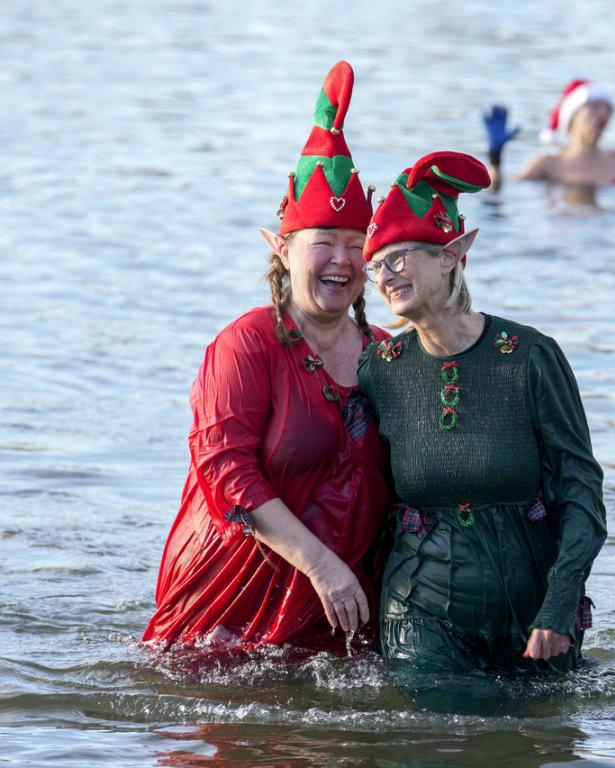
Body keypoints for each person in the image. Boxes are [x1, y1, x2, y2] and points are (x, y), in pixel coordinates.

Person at [143, 61, 391, 656]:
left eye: (357, 245)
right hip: (228, 598)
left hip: (341, 612)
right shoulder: (247, 344)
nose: (342, 259)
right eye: (324, 242)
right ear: (282, 248)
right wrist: (324, 566)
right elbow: (226, 472)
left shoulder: (388, 354)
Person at [357, 151, 607, 673]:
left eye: (399, 257)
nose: (385, 275)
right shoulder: (381, 370)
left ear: (450, 255)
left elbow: (580, 487)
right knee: (435, 735)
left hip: (532, 610)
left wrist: (561, 604)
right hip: (419, 607)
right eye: (375, 264)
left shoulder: (531, 356)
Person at [483, 79, 615, 190]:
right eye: (595, 106)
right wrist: (495, 159)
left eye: (608, 108)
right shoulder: (547, 164)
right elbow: (499, 191)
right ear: (573, 116)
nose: (604, 113)